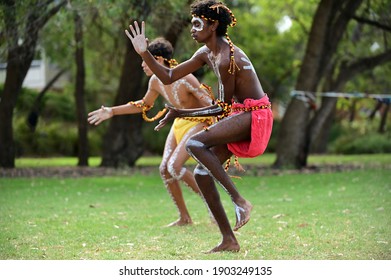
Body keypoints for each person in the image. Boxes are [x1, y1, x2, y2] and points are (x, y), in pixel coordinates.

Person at [125, 0, 273, 253]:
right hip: (240, 112)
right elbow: (169, 76)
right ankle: (229, 240)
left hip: (254, 114)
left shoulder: (227, 57)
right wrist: (143, 53)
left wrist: (180, 112)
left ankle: (239, 200)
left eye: (197, 24)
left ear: (213, 25)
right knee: (203, 174)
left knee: (194, 144)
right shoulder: (205, 52)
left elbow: (222, 108)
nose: (192, 29)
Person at [88, 37, 214, 227]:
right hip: (179, 122)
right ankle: (184, 218)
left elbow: (210, 104)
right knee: (164, 168)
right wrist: (112, 111)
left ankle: (212, 204)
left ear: (159, 60)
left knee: (174, 166)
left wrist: (220, 128)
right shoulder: (155, 81)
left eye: (145, 60)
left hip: (199, 122)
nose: (142, 65)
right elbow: (145, 104)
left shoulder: (185, 78)